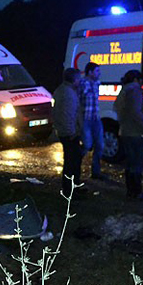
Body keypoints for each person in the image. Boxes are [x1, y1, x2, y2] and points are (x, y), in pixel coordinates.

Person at [114, 70, 143, 201]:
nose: (142, 82)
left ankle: (131, 191)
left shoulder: (125, 91)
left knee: (130, 163)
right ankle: (136, 192)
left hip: (126, 131)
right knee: (136, 163)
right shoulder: (134, 91)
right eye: (140, 80)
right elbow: (136, 113)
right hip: (135, 133)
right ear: (136, 80)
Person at [53, 68, 83, 197]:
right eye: (79, 79)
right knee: (72, 163)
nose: (80, 81)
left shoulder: (62, 90)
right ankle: (70, 191)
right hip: (69, 134)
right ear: (74, 79)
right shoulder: (68, 94)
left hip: (65, 132)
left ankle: (73, 188)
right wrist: (72, 132)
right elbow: (68, 115)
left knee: (72, 162)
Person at [78, 62, 106, 179]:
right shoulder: (82, 84)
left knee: (100, 145)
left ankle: (96, 172)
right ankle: (74, 166)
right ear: (90, 72)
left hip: (95, 118)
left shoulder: (96, 83)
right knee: (87, 145)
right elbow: (78, 101)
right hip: (85, 119)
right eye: (97, 71)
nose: (99, 74)